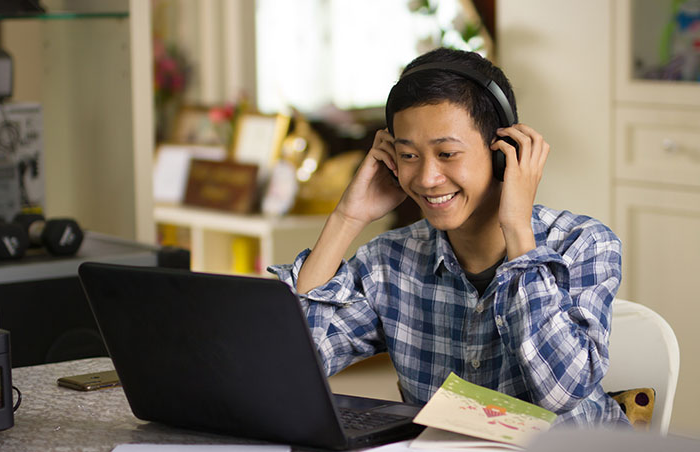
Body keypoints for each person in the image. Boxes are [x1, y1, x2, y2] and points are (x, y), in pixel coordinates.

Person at [268, 48, 629, 426]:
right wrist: (347, 217)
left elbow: (560, 392)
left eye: (447, 153)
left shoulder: (584, 244)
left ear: (505, 154)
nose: (426, 178)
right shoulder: (389, 261)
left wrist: (518, 230)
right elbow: (290, 366)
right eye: (408, 156)